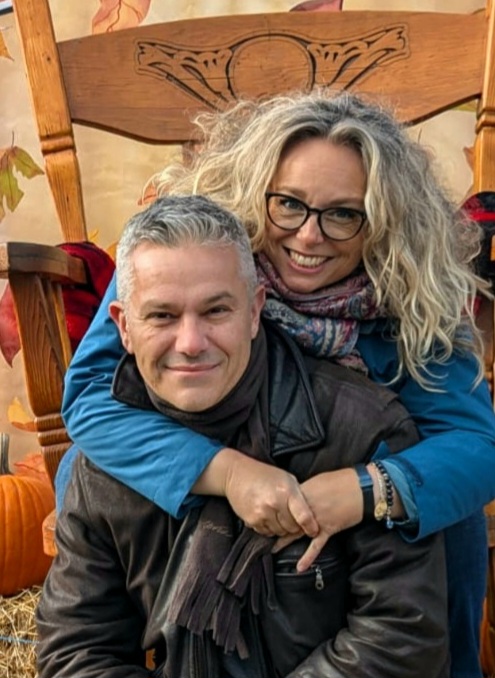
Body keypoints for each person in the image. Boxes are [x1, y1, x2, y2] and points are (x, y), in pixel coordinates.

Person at [60, 92, 495, 677]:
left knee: (448, 513)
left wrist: (363, 490)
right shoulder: (194, 253)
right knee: (82, 469)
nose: (309, 236)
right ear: (254, 190)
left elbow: (475, 447)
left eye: (343, 214)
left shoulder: (416, 292)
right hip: (212, 442)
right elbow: (91, 397)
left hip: (345, 461)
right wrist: (227, 473)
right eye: (289, 204)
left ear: (382, 220)